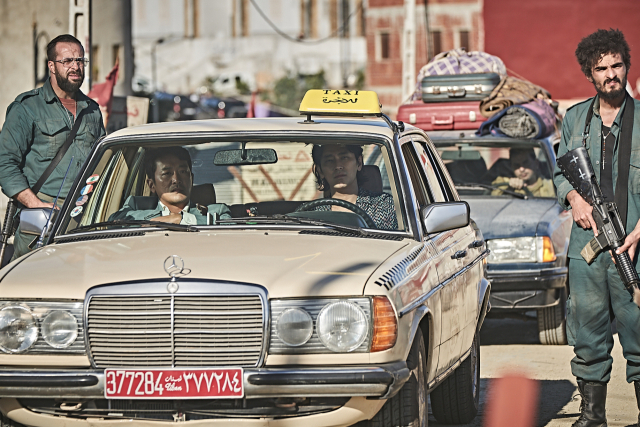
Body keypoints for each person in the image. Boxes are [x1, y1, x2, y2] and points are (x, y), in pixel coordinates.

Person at [553, 29, 640, 427]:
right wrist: (573, 199)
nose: (611, 74)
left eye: (617, 65)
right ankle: (592, 417)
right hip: (587, 250)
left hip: (633, 247)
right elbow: (560, 171)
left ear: (627, 66)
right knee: (587, 334)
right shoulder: (575, 119)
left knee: (639, 332)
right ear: (590, 74)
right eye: (601, 68)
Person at [0, 34, 105, 260]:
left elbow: (103, 163)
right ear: (51, 66)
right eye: (67, 61)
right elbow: (5, 164)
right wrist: (36, 205)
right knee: (31, 287)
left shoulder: (92, 110)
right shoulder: (27, 107)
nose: (75, 67)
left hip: (84, 219)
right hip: (40, 221)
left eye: (80, 60)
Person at [110, 147, 231, 224]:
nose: (176, 180)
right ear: (151, 185)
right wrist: (163, 220)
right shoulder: (135, 207)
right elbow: (112, 223)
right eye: (167, 173)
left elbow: (232, 229)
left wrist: (183, 219)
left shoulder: (217, 211)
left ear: (191, 179)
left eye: (183, 172)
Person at [311, 144, 397, 230]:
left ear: (359, 162)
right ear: (320, 170)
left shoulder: (383, 206)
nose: (338, 166)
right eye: (329, 160)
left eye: (344, 158)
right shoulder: (312, 213)